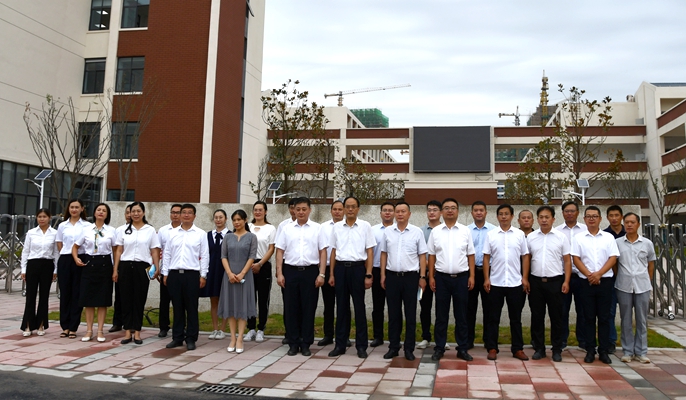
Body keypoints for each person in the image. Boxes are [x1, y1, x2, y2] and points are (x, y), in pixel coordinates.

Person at [276, 198, 327, 357]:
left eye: (304, 209)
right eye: (298, 209)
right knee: (291, 308)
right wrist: (279, 273)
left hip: (310, 272)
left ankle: (306, 343)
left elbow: (323, 251)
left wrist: (322, 274)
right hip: (290, 271)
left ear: (310, 210)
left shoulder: (317, 228)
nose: (301, 212)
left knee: (308, 308)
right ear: (293, 210)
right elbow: (279, 251)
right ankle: (293, 343)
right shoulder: (286, 228)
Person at [427, 198, 475, 361]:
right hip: (441, 278)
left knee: (461, 315)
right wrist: (431, 276)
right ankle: (439, 347)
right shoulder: (436, 232)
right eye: (446, 208)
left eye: (453, 208)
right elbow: (431, 255)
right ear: (442, 212)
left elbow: (470, 254)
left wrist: (472, 276)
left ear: (458, 211)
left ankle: (462, 348)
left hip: (461, 278)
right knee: (441, 315)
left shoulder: (465, 231)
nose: (450, 210)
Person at [328, 196, 376, 359]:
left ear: (358, 209)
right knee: (341, 307)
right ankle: (340, 345)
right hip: (341, 269)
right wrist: (332, 274)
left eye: (353, 206)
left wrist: (368, 274)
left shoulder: (365, 226)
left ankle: (361, 346)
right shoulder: (337, 227)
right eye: (347, 206)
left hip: (358, 269)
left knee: (359, 307)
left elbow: (370, 251)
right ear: (344, 209)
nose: (350, 209)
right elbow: (333, 251)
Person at [571, 205, 620, 364]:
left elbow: (613, 258)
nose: (591, 219)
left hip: (604, 281)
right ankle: (590, 350)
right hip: (585, 282)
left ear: (600, 219)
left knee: (604, 318)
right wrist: (589, 275)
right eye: (589, 216)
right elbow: (576, 259)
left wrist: (598, 274)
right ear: (584, 219)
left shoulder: (608, 237)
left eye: (595, 216)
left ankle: (603, 350)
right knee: (588, 317)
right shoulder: (578, 238)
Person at [380, 201, 427, 361]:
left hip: (411, 278)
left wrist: (422, 277)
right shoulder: (388, 231)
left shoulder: (417, 232)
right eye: (397, 211)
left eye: (403, 211)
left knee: (410, 314)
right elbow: (384, 253)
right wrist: (383, 275)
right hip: (392, 277)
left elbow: (422, 255)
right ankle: (394, 347)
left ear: (409, 214)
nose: (400, 214)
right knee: (393, 314)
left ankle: (409, 348)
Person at [483, 204, 530, 361]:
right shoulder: (491, 235)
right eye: (501, 214)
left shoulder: (519, 234)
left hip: (515, 283)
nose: (503, 216)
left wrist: (524, 278)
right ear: (497, 216)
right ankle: (492, 347)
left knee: (515, 318)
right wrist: (486, 278)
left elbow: (525, 256)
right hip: (496, 282)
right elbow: (486, 257)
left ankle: (517, 349)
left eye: (506, 214)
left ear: (512, 216)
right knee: (493, 317)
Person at [526, 206, 571, 362]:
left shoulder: (561, 237)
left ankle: (557, 349)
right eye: (541, 217)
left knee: (556, 317)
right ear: (537, 219)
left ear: (553, 219)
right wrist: (526, 279)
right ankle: (539, 348)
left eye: (547, 217)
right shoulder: (531, 237)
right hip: (536, 282)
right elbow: (527, 259)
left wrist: (566, 281)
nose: (544, 220)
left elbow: (567, 261)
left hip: (555, 282)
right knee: (537, 316)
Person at [162, 204, 209, 351]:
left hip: (192, 274)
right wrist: (165, 273)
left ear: (194, 216)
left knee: (191, 307)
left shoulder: (200, 234)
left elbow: (205, 255)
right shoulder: (172, 233)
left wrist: (203, 275)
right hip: (174, 274)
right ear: (180, 215)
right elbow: (167, 254)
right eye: (184, 212)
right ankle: (177, 337)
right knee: (177, 307)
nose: (186, 215)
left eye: (190, 213)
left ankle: (191, 338)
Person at [113, 201, 160, 345]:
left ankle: (137, 332)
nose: (135, 214)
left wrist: (156, 267)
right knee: (125, 299)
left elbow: (154, 250)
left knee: (139, 299)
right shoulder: (123, 230)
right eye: (133, 211)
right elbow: (119, 251)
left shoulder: (150, 230)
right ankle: (128, 331)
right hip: (125, 266)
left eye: (138, 211)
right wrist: (115, 269)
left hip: (142, 267)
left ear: (143, 213)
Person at [73, 203, 116, 342]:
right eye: (99, 210)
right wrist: (76, 258)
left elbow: (116, 250)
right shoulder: (86, 229)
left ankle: (100, 331)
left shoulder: (111, 230)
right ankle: (89, 330)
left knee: (102, 301)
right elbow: (75, 246)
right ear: (94, 212)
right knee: (89, 300)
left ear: (107, 214)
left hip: (105, 265)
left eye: (104, 210)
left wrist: (115, 269)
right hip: (89, 264)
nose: (101, 212)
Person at [615, 212, 655, 364]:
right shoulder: (618, 243)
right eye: (627, 222)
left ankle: (641, 351)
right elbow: (614, 264)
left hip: (642, 286)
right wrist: (621, 276)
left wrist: (647, 280)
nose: (629, 225)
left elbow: (651, 264)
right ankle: (627, 351)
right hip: (623, 285)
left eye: (632, 222)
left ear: (638, 224)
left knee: (642, 319)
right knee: (625, 319)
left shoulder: (647, 243)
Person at [218, 209, 257, 354]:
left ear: (245, 220)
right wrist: (229, 273)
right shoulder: (228, 237)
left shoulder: (252, 237)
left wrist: (242, 274)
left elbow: (252, 256)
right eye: (234, 220)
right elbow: (223, 256)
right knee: (231, 306)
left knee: (242, 306)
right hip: (229, 276)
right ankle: (232, 338)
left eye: (239, 219)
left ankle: (240, 337)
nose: (237, 222)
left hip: (245, 277)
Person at [55, 199, 91, 339]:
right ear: (68, 209)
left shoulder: (87, 225)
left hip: (81, 259)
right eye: (72, 207)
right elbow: (59, 242)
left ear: (82, 208)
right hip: (65, 259)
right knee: (65, 293)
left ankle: (73, 327)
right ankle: (65, 326)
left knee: (77, 293)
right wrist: (66, 254)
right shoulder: (62, 225)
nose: (74, 210)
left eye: (77, 207)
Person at [20, 208, 58, 337]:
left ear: (49, 218)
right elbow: (25, 251)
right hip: (33, 264)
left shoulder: (54, 233)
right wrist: (23, 269)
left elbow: (56, 253)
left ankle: (41, 324)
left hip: (47, 265)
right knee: (30, 296)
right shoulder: (31, 233)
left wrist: (56, 269)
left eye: (44, 216)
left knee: (44, 296)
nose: (42, 219)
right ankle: (28, 325)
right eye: (39, 216)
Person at [556, 201, 588, 351]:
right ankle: (562, 340)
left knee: (583, 310)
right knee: (562, 310)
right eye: (566, 211)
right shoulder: (557, 231)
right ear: (562, 213)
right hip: (563, 277)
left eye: (572, 211)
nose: (569, 213)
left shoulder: (585, 230)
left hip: (582, 276)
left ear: (578, 213)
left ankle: (583, 340)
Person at [244, 201, 276, 343]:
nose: (257, 212)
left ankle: (261, 329)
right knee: (250, 298)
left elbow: (271, 249)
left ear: (265, 212)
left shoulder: (270, 228)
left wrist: (260, 264)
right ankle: (250, 328)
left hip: (263, 265)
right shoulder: (248, 227)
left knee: (263, 299)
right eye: (255, 210)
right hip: (248, 265)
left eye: (260, 210)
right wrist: (250, 264)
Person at [467, 200, 496, 349]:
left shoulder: (493, 230)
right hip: (470, 273)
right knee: (469, 308)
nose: (479, 212)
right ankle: (468, 340)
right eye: (476, 210)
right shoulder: (466, 231)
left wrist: (488, 277)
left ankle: (489, 341)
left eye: (481, 210)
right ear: (472, 213)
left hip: (488, 273)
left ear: (486, 212)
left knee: (489, 308)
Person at [317, 200, 345, 346]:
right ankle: (328, 335)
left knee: (343, 304)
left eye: (340, 209)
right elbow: (320, 247)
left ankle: (344, 336)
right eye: (335, 209)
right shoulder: (323, 227)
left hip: (342, 268)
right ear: (331, 211)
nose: (337, 212)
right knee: (328, 304)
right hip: (327, 268)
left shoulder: (348, 226)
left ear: (344, 211)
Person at [200, 209, 230, 339]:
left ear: (226, 219)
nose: (218, 220)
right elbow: (204, 254)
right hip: (212, 270)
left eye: (221, 217)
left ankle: (223, 329)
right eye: (216, 217)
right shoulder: (207, 235)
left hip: (225, 271)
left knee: (225, 300)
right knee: (214, 299)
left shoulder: (231, 235)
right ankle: (215, 329)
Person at [417, 200, 442, 350]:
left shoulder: (445, 230)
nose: (432, 212)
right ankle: (425, 336)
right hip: (423, 275)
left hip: (441, 275)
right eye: (429, 210)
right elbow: (418, 253)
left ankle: (441, 338)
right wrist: (427, 267)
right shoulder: (420, 231)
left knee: (441, 308)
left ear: (440, 212)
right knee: (424, 307)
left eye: (435, 210)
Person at [370, 202, 395, 348]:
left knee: (393, 307)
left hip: (393, 271)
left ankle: (394, 337)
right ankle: (378, 336)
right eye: (384, 210)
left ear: (394, 213)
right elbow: (369, 252)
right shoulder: (373, 231)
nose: (387, 212)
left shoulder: (398, 230)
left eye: (390, 210)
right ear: (380, 213)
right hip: (376, 270)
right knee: (377, 306)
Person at [156, 203, 182, 338]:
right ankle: (163, 327)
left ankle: (180, 326)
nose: (175, 215)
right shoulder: (163, 230)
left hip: (180, 270)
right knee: (164, 300)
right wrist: (157, 268)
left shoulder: (186, 230)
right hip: (166, 270)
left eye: (178, 212)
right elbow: (157, 250)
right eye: (173, 212)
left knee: (180, 301)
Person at [274, 197, 297, 345]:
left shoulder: (313, 226)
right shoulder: (284, 225)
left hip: (303, 267)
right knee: (288, 302)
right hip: (286, 267)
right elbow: (279, 249)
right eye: (292, 207)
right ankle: (289, 332)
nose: (294, 210)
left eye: (297, 208)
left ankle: (301, 333)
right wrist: (279, 270)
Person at [604, 205, 625, 353]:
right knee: (609, 312)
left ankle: (629, 342)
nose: (614, 218)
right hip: (611, 279)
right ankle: (611, 341)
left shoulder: (629, 233)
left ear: (621, 216)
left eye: (616, 215)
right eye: (611, 215)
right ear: (607, 218)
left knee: (627, 313)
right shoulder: (605, 235)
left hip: (627, 279)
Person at [109, 203, 132, 333]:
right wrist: (115, 267)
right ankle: (117, 322)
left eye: (132, 212)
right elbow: (115, 250)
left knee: (134, 296)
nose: (129, 215)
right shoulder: (119, 230)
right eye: (127, 212)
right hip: (121, 265)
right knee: (119, 296)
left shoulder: (146, 229)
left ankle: (132, 323)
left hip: (136, 266)